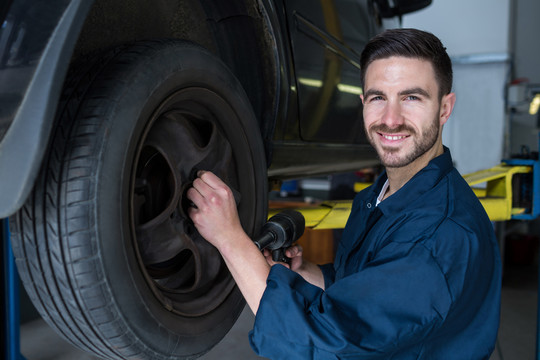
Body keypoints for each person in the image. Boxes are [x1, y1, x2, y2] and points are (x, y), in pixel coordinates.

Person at [187, 28, 501, 359]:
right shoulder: (378, 197)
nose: (391, 120)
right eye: (379, 97)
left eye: (411, 97)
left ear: (444, 108)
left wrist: (229, 239)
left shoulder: (436, 235)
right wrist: (311, 274)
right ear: (363, 103)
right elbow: (373, 283)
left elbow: (324, 344)